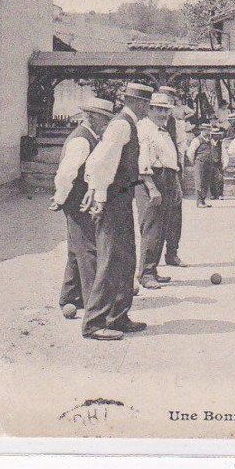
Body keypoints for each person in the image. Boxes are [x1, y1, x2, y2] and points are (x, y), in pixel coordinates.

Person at [80, 82, 152, 340]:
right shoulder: (122, 124)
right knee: (110, 260)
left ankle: (118, 317)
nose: (148, 109)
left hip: (122, 198)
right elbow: (100, 162)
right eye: (147, 104)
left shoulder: (128, 124)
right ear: (139, 103)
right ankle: (93, 323)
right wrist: (98, 195)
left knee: (125, 259)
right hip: (111, 200)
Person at [49, 97, 114, 317]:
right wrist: (60, 198)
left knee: (76, 248)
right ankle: (93, 302)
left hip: (80, 197)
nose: (106, 124)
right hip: (77, 199)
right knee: (88, 249)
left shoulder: (93, 136)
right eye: (104, 119)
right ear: (92, 117)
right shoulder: (81, 140)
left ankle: (70, 296)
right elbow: (66, 173)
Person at [135, 92, 180, 290]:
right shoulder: (144, 128)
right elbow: (142, 159)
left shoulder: (162, 129)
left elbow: (170, 159)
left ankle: (152, 270)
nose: (164, 113)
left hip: (167, 178)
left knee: (162, 227)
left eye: (166, 110)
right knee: (151, 228)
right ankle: (145, 274)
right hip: (151, 179)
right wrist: (151, 187)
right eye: (159, 109)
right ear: (149, 109)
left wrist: (175, 182)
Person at [158, 86, 192, 268]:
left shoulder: (177, 123)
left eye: (170, 101)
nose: (167, 105)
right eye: (164, 101)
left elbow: (181, 148)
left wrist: (180, 172)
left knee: (175, 214)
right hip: (153, 173)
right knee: (154, 217)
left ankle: (172, 253)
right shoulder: (148, 122)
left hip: (173, 172)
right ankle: (149, 261)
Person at [187, 124, 215, 208]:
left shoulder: (210, 140)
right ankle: (199, 202)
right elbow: (190, 153)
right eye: (206, 129)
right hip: (199, 163)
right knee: (199, 182)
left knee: (206, 182)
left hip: (208, 163)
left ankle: (203, 201)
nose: (208, 131)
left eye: (209, 129)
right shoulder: (197, 140)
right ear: (202, 130)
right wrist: (194, 162)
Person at [209, 125, 228, 200]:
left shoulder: (221, 143)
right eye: (214, 135)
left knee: (220, 179)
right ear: (212, 135)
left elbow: (224, 154)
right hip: (211, 164)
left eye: (217, 135)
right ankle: (213, 194)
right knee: (211, 179)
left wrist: (225, 163)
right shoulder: (208, 143)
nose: (215, 136)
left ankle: (220, 194)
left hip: (218, 164)